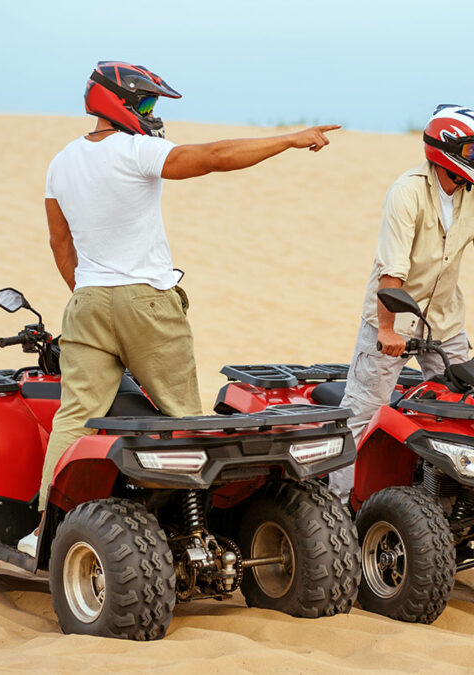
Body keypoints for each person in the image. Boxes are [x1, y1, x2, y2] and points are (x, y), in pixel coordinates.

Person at [19, 61, 339, 556]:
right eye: (144, 103)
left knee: (75, 418)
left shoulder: (61, 162)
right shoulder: (137, 150)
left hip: (85, 302)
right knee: (184, 420)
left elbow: (59, 241)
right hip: (146, 301)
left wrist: (88, 292)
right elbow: (211, 156)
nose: (150, 113)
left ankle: (45, 530)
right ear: (114, 102)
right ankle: (193, 538)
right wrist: (289, 140)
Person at [330, 104, 474, 499]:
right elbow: (392, 267)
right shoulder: (407, 192)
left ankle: (453, 502)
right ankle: (339, 507)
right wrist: (386, 329)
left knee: (469, 412)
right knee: (363, 414)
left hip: (445, 323)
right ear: (444, 151)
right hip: (392, 319)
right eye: (473, 152)